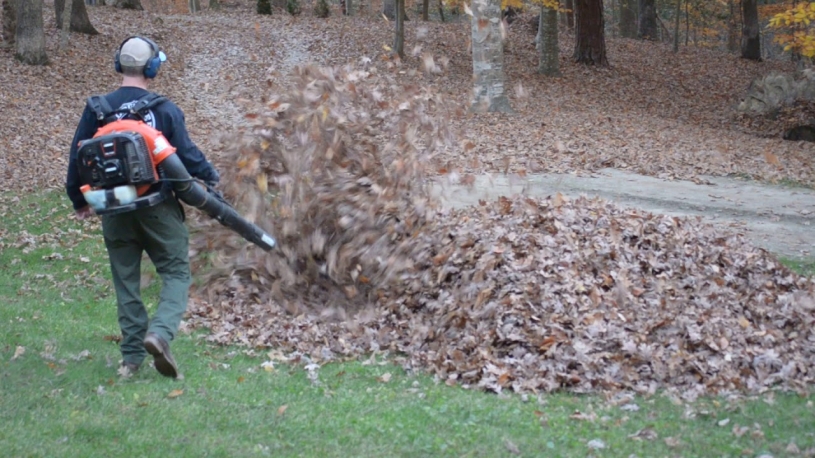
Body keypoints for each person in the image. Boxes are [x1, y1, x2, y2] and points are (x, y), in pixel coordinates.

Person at [65, 36, 220, 378]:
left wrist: (79, 201)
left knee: (125, 281)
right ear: (153, 67)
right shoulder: (163, 109)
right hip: (158, 206)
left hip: (114, 209)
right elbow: (187, 156)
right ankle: (160, 334)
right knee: (177, 273)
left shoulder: (97, 109)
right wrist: (212, 178)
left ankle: (130, 360)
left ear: (119, 64)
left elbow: (77, 157)